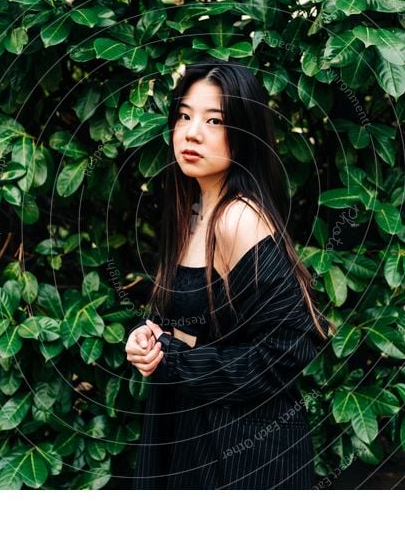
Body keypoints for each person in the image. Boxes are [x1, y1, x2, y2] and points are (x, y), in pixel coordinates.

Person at [125, 58, 333, 489]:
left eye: (214, 120)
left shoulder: (238, 219)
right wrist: (149, 340)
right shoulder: (193, 210)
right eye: (184, 115)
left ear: (243, 135)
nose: (191, 132)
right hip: (192, 434)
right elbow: (198, 323)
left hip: (242, 452)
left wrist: (173, 359)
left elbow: (289, 349)